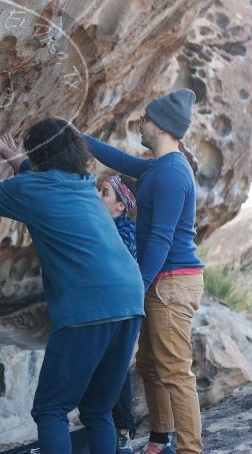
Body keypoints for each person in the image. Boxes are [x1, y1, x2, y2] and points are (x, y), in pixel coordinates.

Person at [0, 118, 144, 454]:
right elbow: (38, 179)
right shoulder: (82, 182)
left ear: (40, 154)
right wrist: (10, 154)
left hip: (88, 307)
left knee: (50, 410)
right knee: (97, 410)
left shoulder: (33, 188)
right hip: (130, 301)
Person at [81, 89, 205, 454]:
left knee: (176, 372)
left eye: (147, 119)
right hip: (161, 280)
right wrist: (80, 139)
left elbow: (162, 240)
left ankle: (189, 450)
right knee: (149, 365)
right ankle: (159, 441)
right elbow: (119, 159)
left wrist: (139, 285)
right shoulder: (158, 167)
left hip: (172, 282)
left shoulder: (172, 174)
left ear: (164, 127)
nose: (142, 124)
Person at [98, 175, 139, 454]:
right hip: (100, 308)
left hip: (120, 311)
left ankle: (123, 432)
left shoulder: (125, 230)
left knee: (117, 369)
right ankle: (104, 427)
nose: (98, 197)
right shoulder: (103, 225)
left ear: (121, 206)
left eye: (105, 193)